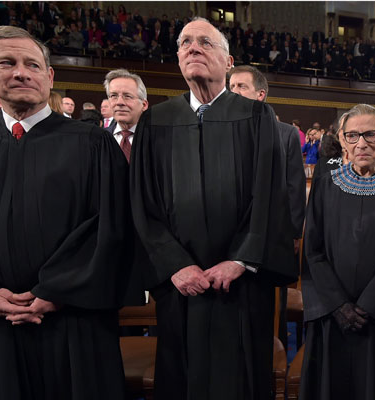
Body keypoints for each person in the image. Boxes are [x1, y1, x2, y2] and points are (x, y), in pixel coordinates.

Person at [0, 25, 135, 400]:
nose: (21, 72)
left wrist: (55, 290)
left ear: (49, 76)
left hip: (76, 317)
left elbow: (113, 227)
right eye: (6, 63)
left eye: (32, 64)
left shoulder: (92, 143)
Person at [131, 17, 297, 400]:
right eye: (185, 42)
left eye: (205, 42)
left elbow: (272, 196)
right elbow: (143, 202)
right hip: (180, 285)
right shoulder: (156, 120)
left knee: (239, 377)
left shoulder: (257, 117)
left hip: (239, 286)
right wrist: (175, 264)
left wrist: (239, 260)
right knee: (181, 374)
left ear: (228, 61)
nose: (193, 47)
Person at [300, 104, 375, 400]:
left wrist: (369, 307)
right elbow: (313, 249)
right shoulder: (324, 186)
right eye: (352, 135)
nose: (361, 143)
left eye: (370, 134)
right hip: (331, 315)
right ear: (342, 141)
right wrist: (339, 305)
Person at [228, 64, 306, 347]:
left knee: (271, 313)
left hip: (273, 236)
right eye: (232, 86)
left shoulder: (285, 133)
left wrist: (294, 233)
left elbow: (295, 186)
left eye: (241, 86)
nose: (234, 91)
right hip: (230, 238)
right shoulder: (219, 130)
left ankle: (277, 346)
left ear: (260, 94)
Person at [103, 68, 148, 162]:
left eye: (127, 96)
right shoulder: (99, 139)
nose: (119, 102)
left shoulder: (159, 140)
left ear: (144, 105)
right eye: (113, 96)